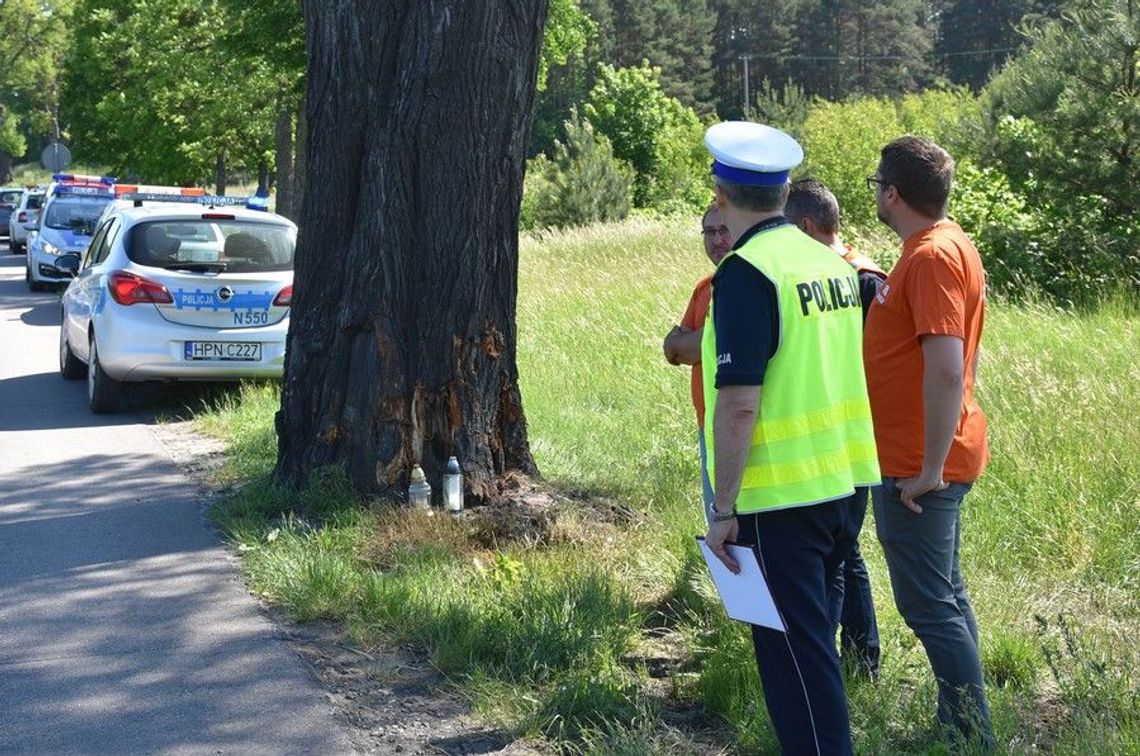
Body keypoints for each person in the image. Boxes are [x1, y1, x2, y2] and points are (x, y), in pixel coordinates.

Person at [701, 122, 880, 756]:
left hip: (781, 498)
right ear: (782, 192)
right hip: (844, 481)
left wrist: (724, 510)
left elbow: (740, 402)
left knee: (795, 660)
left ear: (721, 192)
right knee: (815, 645)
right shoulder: (824, 260)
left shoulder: (747, 272)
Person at [864, 136, 995, 748]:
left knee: (927, 607)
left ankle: (973, 735)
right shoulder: (934, 247)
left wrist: (928, 469)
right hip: (922, 455)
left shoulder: (932, 256)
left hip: (919, 466)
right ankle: (962, 725)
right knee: (946, 594)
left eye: (876, 186)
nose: (876, 195)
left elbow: (945, 367)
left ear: (893, 193)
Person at [785, 178, 886, 679]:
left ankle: (845, 663)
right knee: (847, 553)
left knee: (839, 556)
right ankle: (861, 662)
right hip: (847, 440)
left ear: (804, 227)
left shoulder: (859, 279)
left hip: (851, 438)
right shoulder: (849, 274)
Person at [662, 203, 733, 523]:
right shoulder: (704, 288)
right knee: (717, 519)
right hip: (708, 424)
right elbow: (675, 352)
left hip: (740, 424)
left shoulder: (753, 283)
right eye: (710, 232)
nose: (717, 240)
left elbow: (690, 345)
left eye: (724, 230)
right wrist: (702, 341)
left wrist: (697, 342)